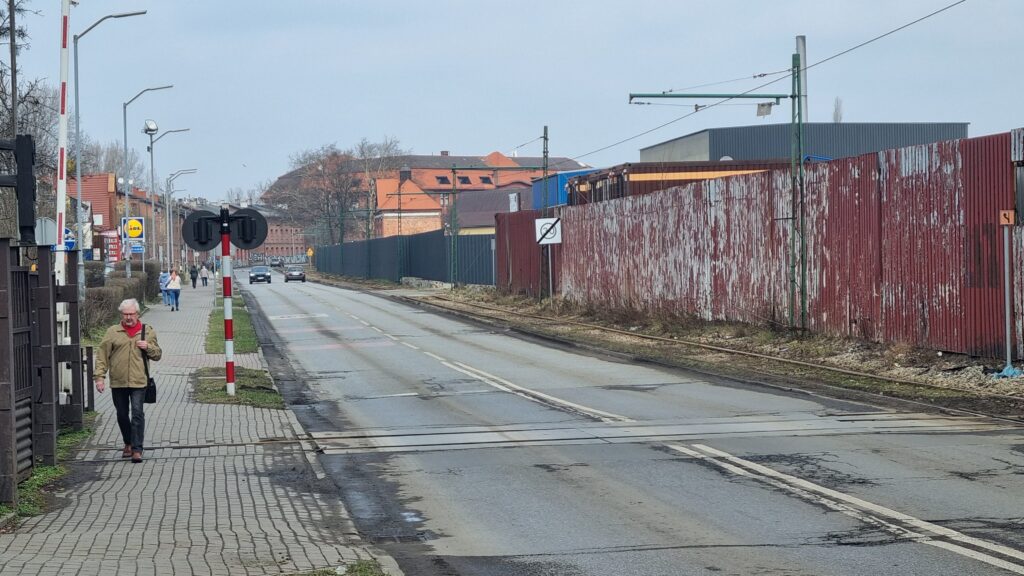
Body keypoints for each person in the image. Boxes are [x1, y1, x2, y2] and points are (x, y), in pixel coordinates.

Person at [93, 298, 162, 463]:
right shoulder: (112, 332)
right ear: (121, 315)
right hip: (118, 381)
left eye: (131, 314)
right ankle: (128, 442)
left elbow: (158, 354)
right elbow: (102, 356)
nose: (128, 317)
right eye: (125, 314)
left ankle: (137, 449)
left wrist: (148, 347)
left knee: (137, 413)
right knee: (122, 415)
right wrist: (99, 378)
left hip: (139, 381)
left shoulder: (148, 331)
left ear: (137, 314)